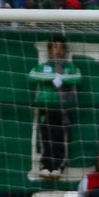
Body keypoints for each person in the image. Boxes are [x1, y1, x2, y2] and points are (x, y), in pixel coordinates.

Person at [28, 36, 81, 180]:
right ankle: (46, 166)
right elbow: (32, 76)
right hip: (45, 106)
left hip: (62, 108)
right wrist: (53, 77)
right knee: (45, 137)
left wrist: (61, 78)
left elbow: (77, 78)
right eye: (55, 47)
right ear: (50, 50)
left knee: (59, 137)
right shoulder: (44, 66)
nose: (58, 50)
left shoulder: (69, 67)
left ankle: (57, 166)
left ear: (65, 50)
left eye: (61, 47)